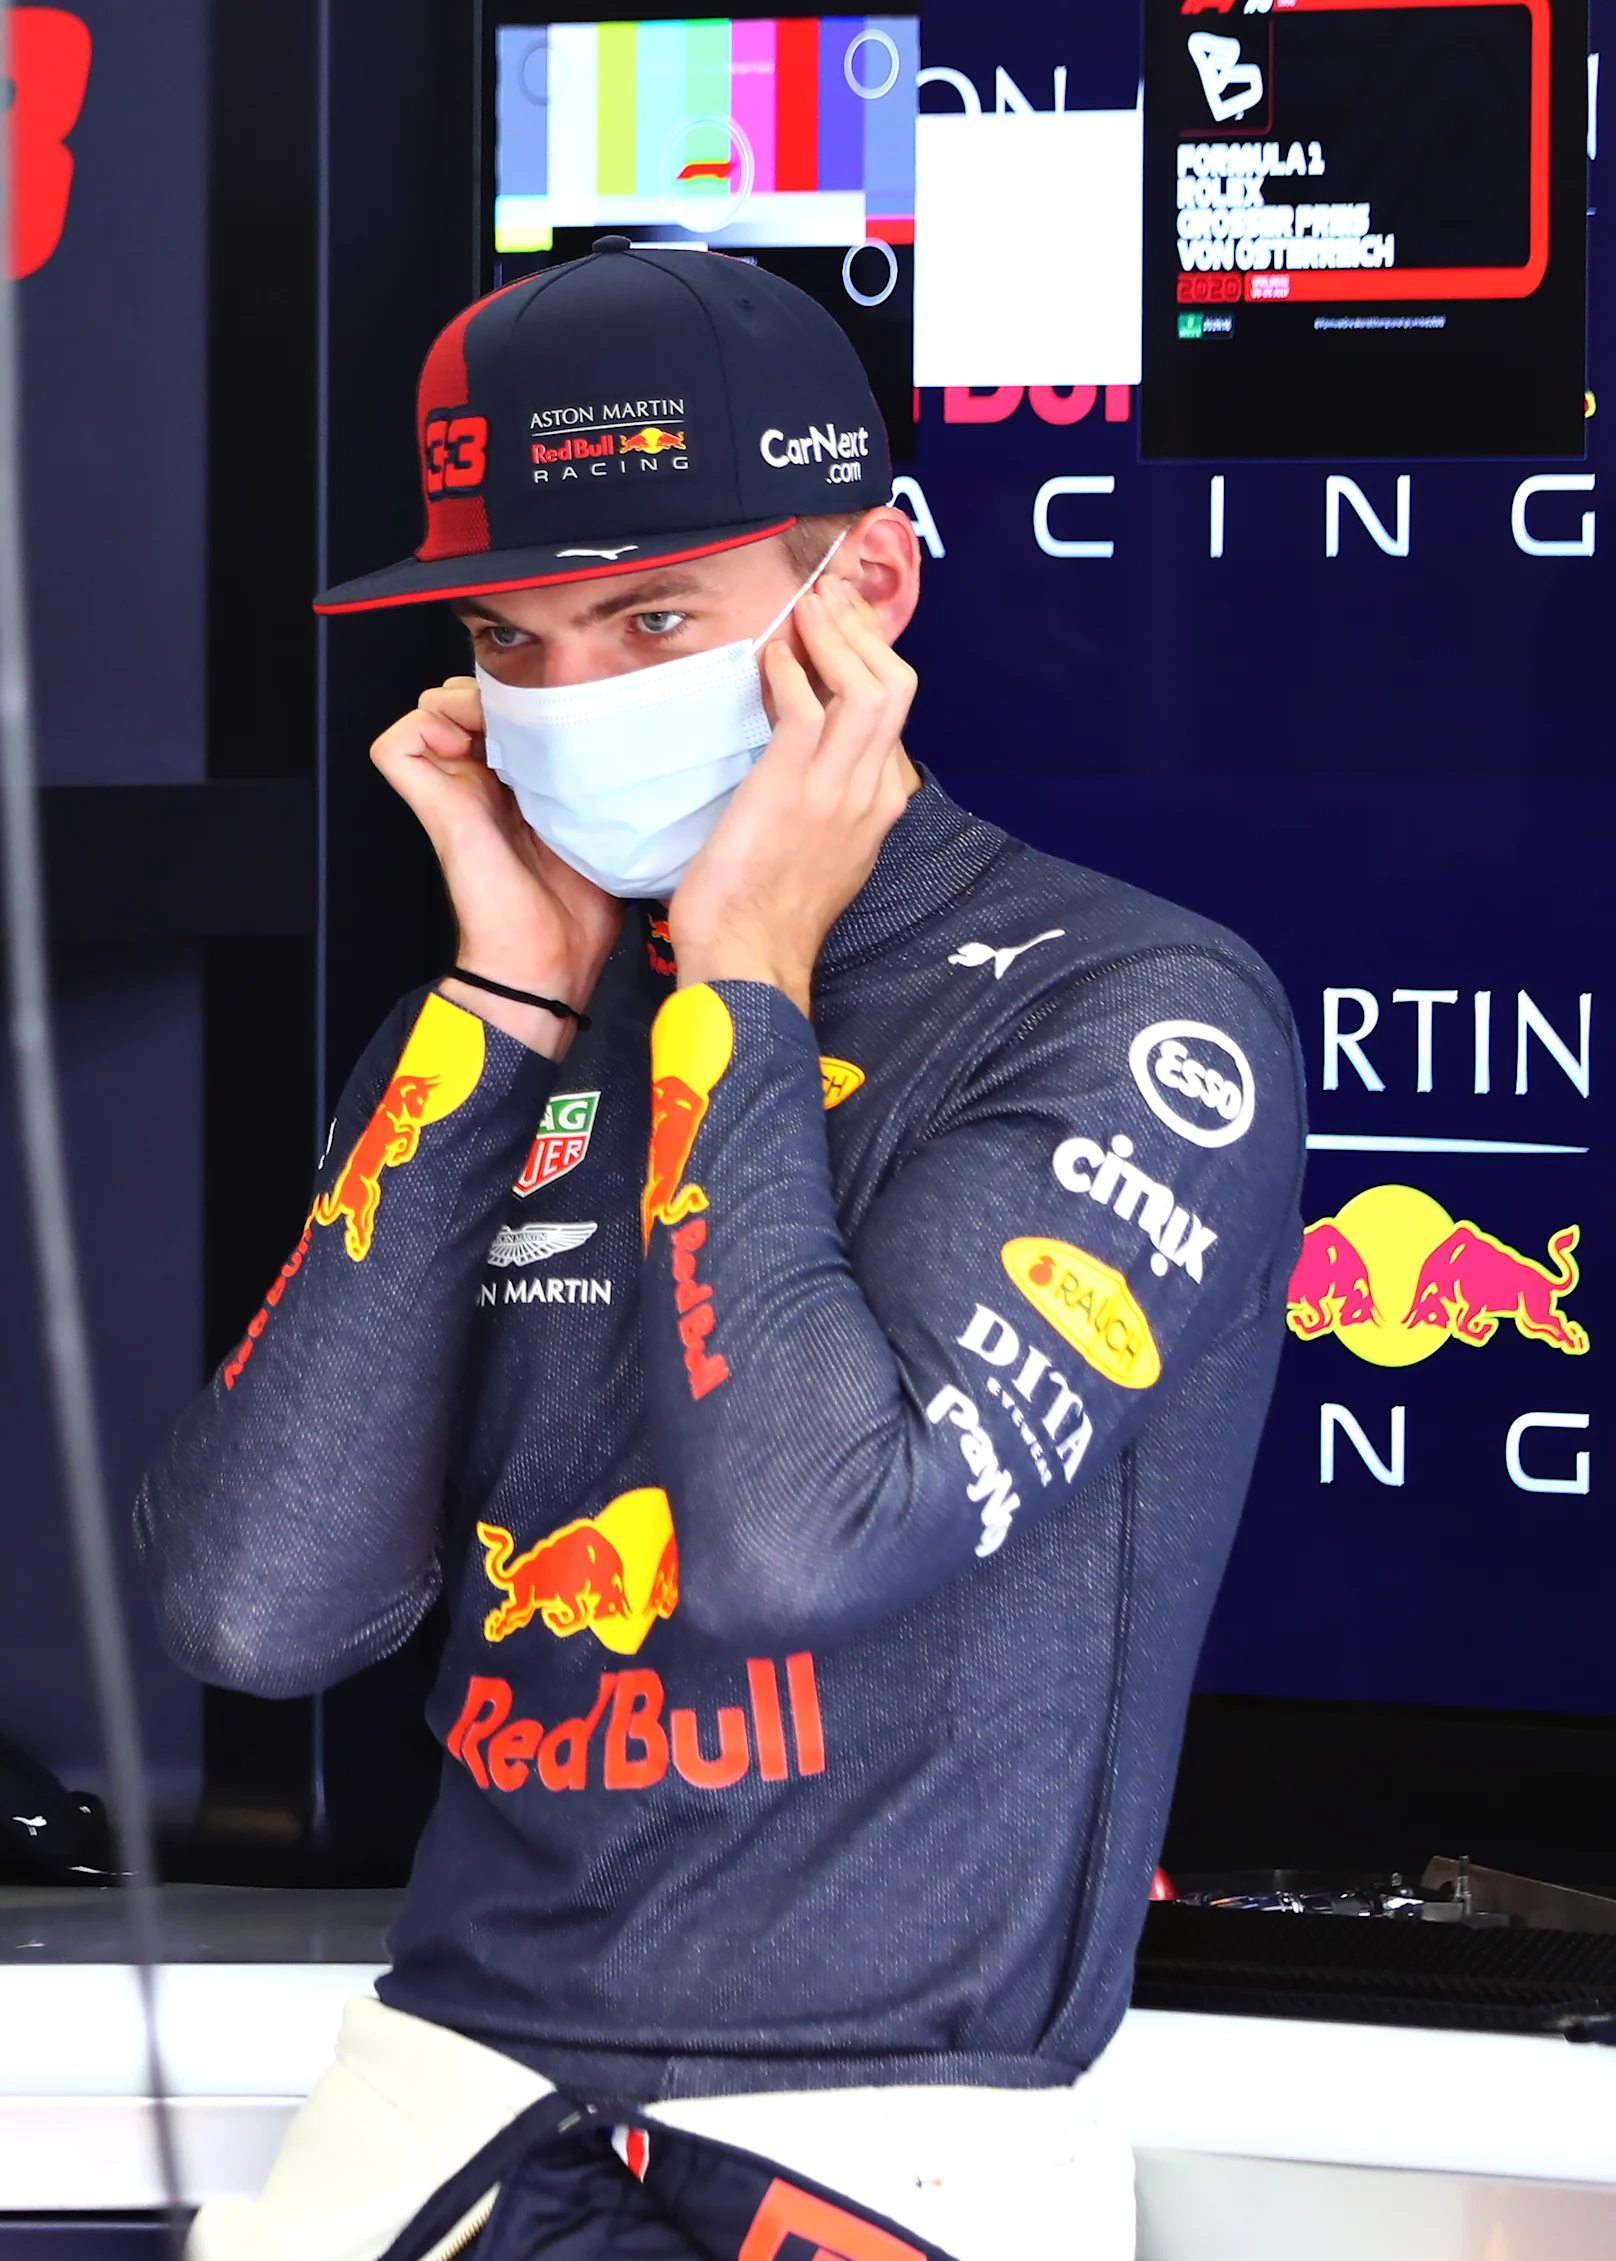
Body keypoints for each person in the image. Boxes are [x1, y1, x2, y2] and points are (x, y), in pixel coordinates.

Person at [137, 243, 1302, 2260]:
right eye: (513, 637)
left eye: (650, 616)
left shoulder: (1123, 1005)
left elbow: (802, 1548)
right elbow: (254, 1605)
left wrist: (742, 977)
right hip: (448, 2108)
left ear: (863, 594)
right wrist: (502, 999)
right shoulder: (505, 1020)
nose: (568, 699)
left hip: (884, 2135)